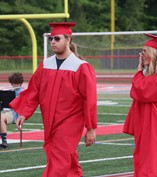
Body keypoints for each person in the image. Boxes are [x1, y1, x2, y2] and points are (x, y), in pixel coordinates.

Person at [9, 22, 97, 177]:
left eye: (57, 38)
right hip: (50, 120)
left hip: (71, 120)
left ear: (68, 40)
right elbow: (33, 91)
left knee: (59, 157)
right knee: (63, 157)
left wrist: (90, 128)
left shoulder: (80, 67)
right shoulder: (46, 64)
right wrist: (23, 113)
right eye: (51, 39)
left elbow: (89, 99)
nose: (53, 42)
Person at [123, 33, 157, 177]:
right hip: (149, 124)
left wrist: (139, 70)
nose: (141, 55)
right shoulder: (153, 73)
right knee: (149, 161)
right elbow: (137, 89)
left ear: (154, 54)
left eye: (144, 51)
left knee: (155, 163)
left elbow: (141, 90)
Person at [0, 72, 24, 149]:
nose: (14, 85)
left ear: (20, 83)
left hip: (15, 114)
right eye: (13, 83)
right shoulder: (10, 91)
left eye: (16, 83)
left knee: (0, 118)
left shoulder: (23, 92)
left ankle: (4, 141)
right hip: (6, 111)